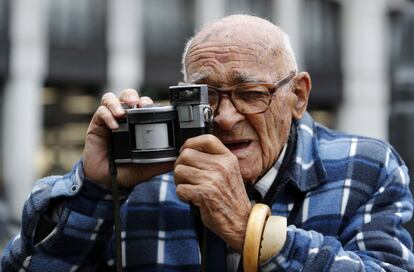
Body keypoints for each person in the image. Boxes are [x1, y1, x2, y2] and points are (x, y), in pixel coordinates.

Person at [2, 14, 414, 271]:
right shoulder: (144, 178)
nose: (225, 118)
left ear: (299, 96)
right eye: (204, 98)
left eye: (252, 95)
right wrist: (95, 191)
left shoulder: (365, 166)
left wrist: (249, 229)